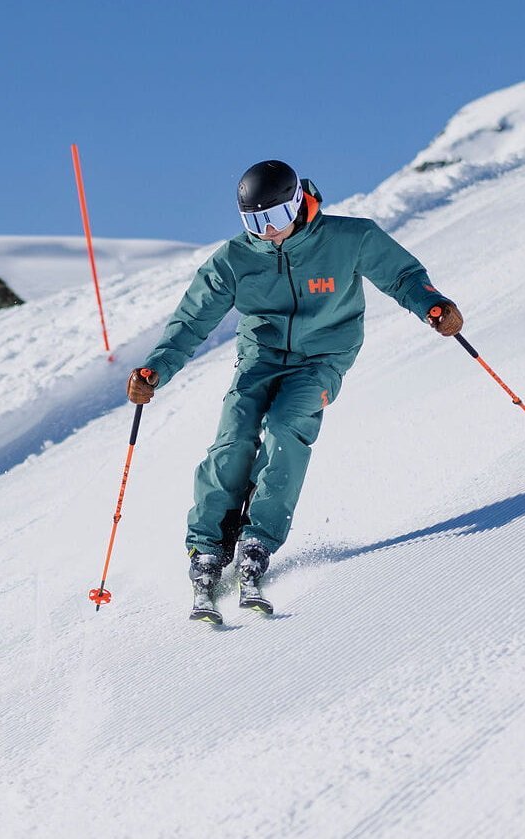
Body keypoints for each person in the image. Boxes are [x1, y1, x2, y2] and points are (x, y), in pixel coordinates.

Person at [128, 159, 464, 623]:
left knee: (287, 426)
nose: (267, 231)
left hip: (323, 358)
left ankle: (258, 538)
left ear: (298, 203)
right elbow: (192, 321)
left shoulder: (351, 239)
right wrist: (155, 370)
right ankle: (208, 546)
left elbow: (403, 276)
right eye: (254, 223)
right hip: (260, 358)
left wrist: (434, 306)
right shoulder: (233, 260)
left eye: (275, 219)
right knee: (234, 439)